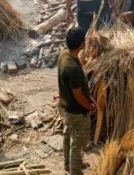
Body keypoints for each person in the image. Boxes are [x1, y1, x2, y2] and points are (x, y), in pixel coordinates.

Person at [57, 27, 95, 175]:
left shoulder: (63, 55)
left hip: (65, 106)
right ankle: (75, 171)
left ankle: (69, 164)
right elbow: (78, 95)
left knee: (67, 135)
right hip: (76, 111)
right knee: (77, 143)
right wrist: (90, 106)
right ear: (81, 44)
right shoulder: (72, 68)